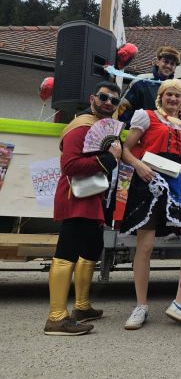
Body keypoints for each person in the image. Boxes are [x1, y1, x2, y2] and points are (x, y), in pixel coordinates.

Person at [120, 79, 181, 330]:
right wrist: (138, 165)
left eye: (178, 96)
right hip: (149, 182)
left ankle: (180, 300)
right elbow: (125, 149)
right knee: (145, 245)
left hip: (175, 185)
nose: (173, 99)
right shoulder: (146, 116)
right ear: (161, 97)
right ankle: (141, 306)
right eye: (169, 95)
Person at [44, 82, 122, 335]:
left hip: (93, 198)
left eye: (114, 100)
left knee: (91, 249)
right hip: (75, 196)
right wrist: (107, 159)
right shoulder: (80, 127)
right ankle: (56, 317)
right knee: (66, 253)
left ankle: (82, 306)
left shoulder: (102, 127)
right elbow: (70, 166)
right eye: (104, 97)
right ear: (92, 99)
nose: (108, 103)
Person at [118, 46, 181, 127]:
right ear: (158, 62)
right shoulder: (141, 81)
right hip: (139, 131)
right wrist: (132, 126)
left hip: (163, 132)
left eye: (172, 64)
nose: (168, 66)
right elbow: (123, 107)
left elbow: (176, 114)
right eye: (165, 61)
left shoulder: (176, 88)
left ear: (175, 68)